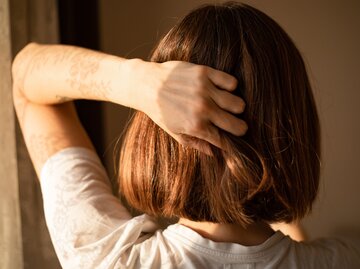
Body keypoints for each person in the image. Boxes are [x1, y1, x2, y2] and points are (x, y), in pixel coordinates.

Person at [12, 2, 360, 269]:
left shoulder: (106, 258)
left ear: (157, 128)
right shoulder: (341, 260)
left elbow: (27, 77)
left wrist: (135, 81)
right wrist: (265, 168)